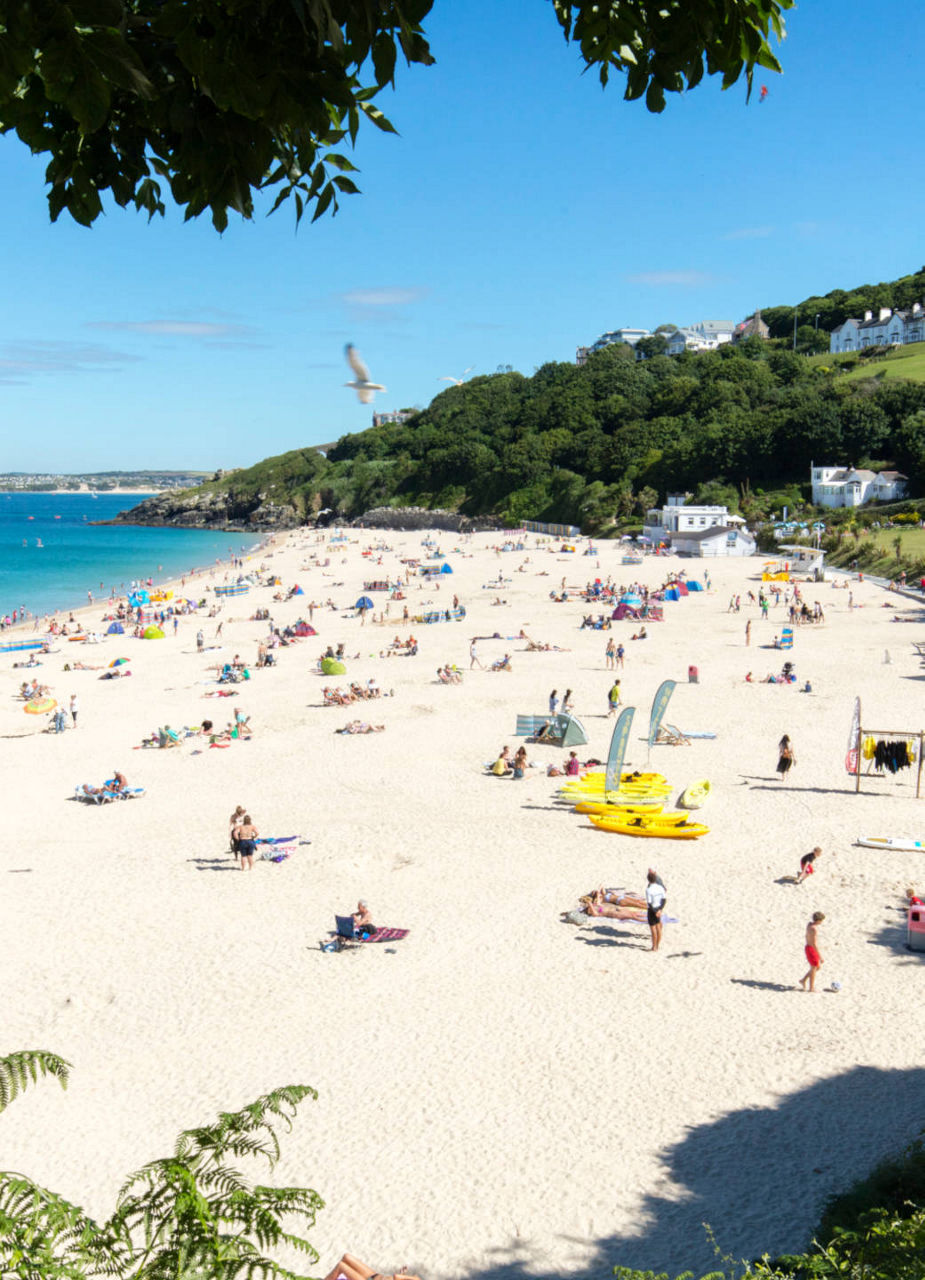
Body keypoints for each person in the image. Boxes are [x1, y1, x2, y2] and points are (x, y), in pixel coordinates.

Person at [799, 912, 825, 991]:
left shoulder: (809, 925)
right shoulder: (814, 929)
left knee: (817, 967)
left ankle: (803, 980)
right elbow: (814, 944)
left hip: (807, 947)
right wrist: (820, 956)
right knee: (814, 968)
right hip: (811, 949)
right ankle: (811, 988)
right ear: (818, 920)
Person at [645, 869, 667, 952]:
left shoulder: (648, 890)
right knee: (658, 928)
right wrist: (660, 910)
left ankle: (654, 947)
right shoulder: (660, 888)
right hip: (659, 908)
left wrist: (655, 911)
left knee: (653, 929)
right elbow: (664, 900)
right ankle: (657, 945)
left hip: (652, 910)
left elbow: (649, 903)